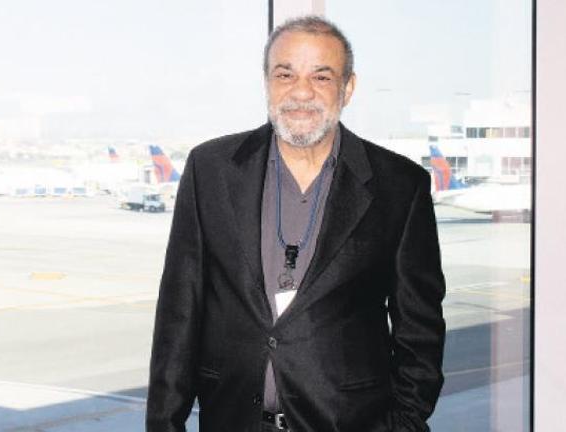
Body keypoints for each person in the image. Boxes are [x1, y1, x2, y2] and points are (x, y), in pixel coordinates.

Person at [146, 15, 446, 432]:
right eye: (285, 74)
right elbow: (179, 312)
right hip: (232, 419)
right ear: (267, 82)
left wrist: (404, 424)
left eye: (321, 77)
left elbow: (420, 330)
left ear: (348, 88)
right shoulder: (210, 169)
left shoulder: (399, 185)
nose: (301, 92)